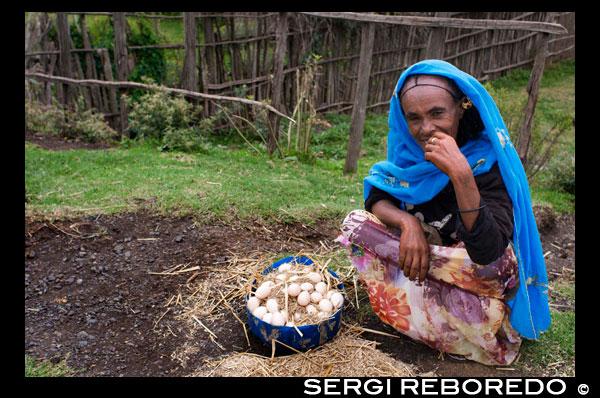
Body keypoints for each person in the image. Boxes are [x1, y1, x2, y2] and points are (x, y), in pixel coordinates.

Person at [338, 59, 550, 366]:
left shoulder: (488, 162)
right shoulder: (408, 156)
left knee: (499, 264)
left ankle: (414, 307)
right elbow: (376, 196)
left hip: (468, 266)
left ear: (462, 107)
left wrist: (462, 176)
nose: (426, 129)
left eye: (438, 113)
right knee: (355, 223)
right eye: (414, 118)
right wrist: (407, 222)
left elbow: (489, 252)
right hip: (419, 258)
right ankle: (446, 315)